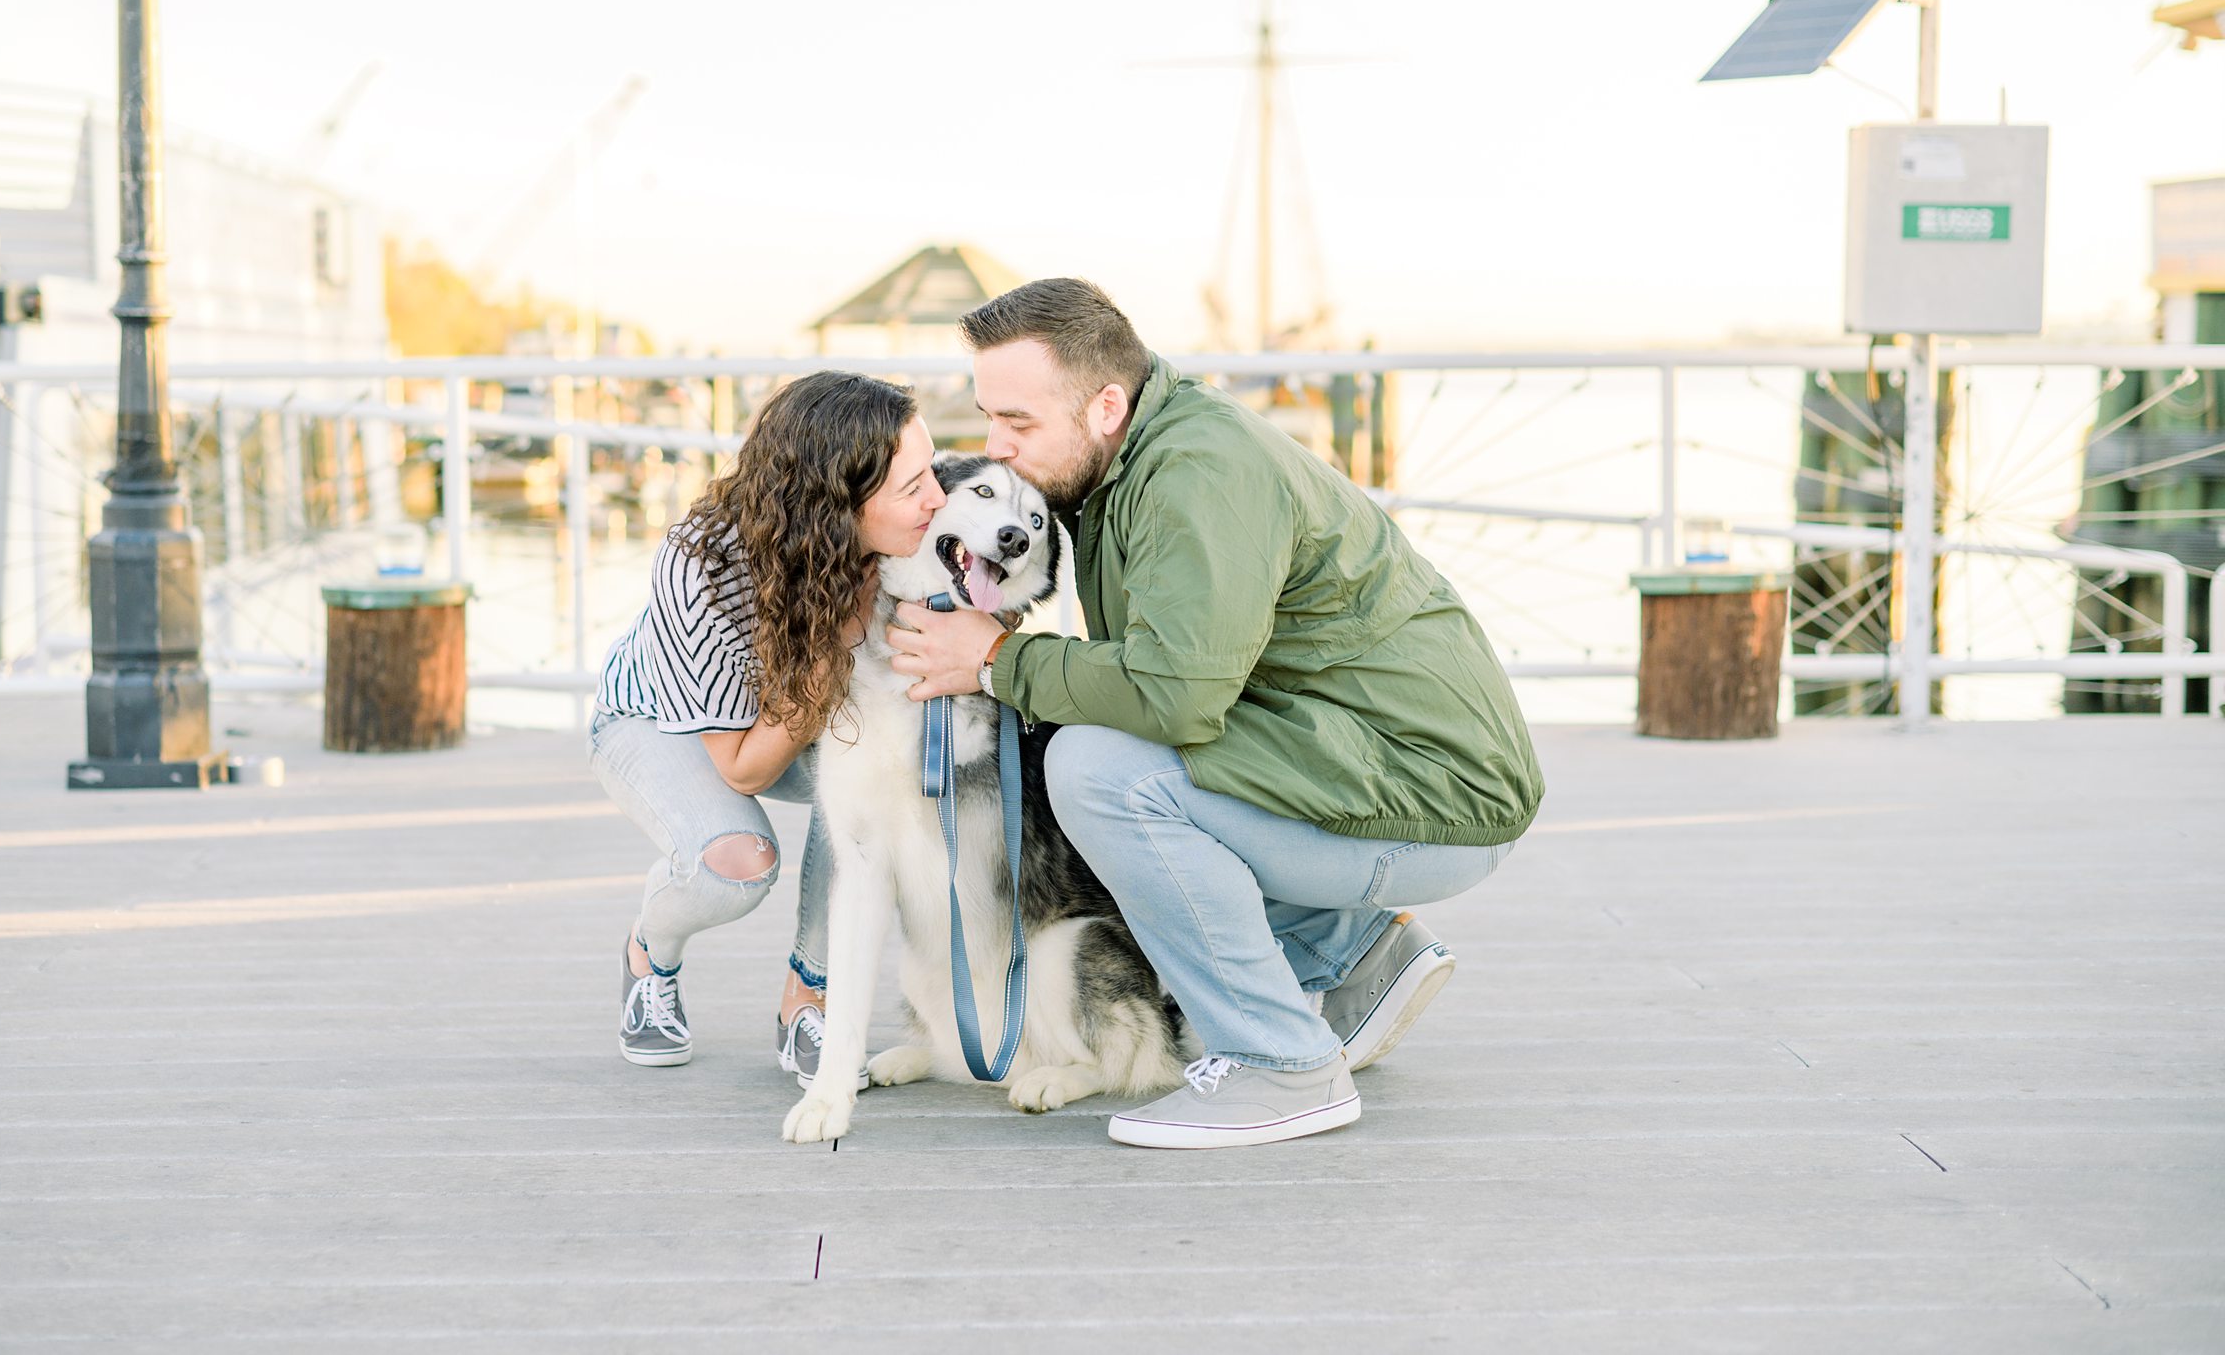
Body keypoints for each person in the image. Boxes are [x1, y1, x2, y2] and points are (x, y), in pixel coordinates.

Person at [889, 278, 1543, 1149]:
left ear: (1106, 404)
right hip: (1373, 761)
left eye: (1018, 423)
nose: (996, 449)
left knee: (1096, 774)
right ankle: (1357, 955)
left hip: (1435, 797)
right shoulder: (1134, 458)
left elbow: (1175, 696)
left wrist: (997, 659)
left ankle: (1280, 1063)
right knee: (1096, 751)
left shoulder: (1197, 474)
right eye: (988, 418)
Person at [591, 370, 946, 1083]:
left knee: (882, 785)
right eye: (913, 487)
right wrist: (838, 642)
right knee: (737, 864)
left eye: (931, 471)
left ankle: (807, 998)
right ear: (835, 503)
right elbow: (744, 767)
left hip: (790, 715)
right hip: (662, 721)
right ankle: (648, 953)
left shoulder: (897, 542)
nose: (937, 496)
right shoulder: (702, 565)